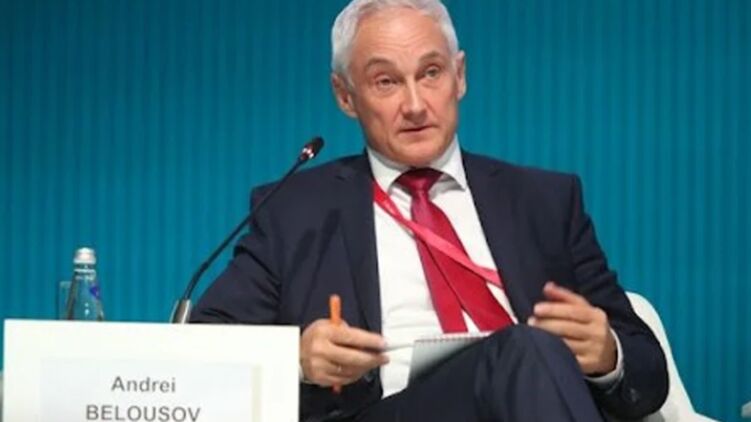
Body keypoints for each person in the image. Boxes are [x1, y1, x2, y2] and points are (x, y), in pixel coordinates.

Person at [191, 0, 668, 421]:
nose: (416, 105)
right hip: (385, 411)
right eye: (386, 82)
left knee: (527, 353)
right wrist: (295, 358)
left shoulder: (543, 201)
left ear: (460, 76)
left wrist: (608, 355)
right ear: (345, 96)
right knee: (523, 348)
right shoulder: (298, 212)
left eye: (431, 73)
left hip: (533, 400)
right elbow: (200, 348)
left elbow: (647, 374)